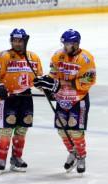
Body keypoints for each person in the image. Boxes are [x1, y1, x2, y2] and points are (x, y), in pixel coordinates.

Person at [34, 29, 96, 173]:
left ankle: (81, 157)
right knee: (62, 130)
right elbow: (53, 75)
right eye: (64, 44)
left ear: (75, 44)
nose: (64, 47)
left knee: (75, 131)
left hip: (78, 99)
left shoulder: (86, 59)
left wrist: (60, 84)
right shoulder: (57, 55)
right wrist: (44, 83)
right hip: (61, 99)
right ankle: (72, 152)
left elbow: (89, 79)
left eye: (67, 44)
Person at [0, 28, 43, 172]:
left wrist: (48, 89)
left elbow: (39, 79)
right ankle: (1, 158)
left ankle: (16, 158)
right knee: (6, 129)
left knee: (22, 129)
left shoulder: (33, 57)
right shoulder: (4, 56)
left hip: (26, 97)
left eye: (20, 41)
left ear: (25, 41)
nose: (17, 43)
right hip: (8, 98)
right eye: (14, 40)